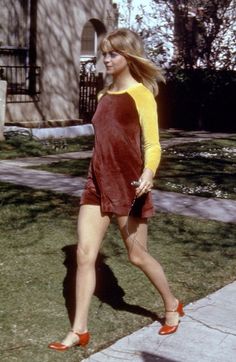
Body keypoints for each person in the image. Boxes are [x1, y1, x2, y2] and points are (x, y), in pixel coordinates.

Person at [48, 28, 184, 351]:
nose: (106, 58)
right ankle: (79, 329)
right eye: (104, 53)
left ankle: (172, 304)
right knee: (83, 255)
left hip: (130, 187)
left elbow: (153, 145)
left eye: (113, 54)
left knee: (137, 255)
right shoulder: (102, 95)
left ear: (129, 56)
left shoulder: (142, 95)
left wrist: (149, 172)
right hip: (96, 184)